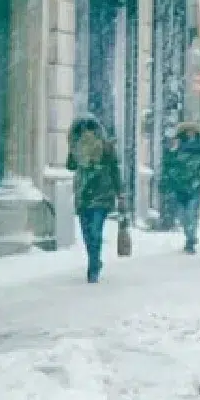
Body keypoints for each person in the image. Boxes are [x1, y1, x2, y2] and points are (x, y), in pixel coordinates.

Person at [66, 117, 123, 283]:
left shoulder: (106, 148)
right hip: (84, 196)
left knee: (95, 232)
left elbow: (114, 171)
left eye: (89, 130)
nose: (87, 134)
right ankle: (95, 259)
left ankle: (93, 267)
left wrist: (120, 193)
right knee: (86, 233)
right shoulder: (77, 149)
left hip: (101, 195)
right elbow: (70, 166)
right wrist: (72, 150)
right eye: (84, 131)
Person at [169, 122, 200, 254]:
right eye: (187, 132)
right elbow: (170, 163)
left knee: (191, 213)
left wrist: (199, 178)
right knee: (182, 215)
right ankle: (189, 235)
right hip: (180, 186)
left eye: (192, 131)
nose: (190, 134)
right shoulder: (177, 147)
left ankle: (191, 239)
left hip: (195, 186)